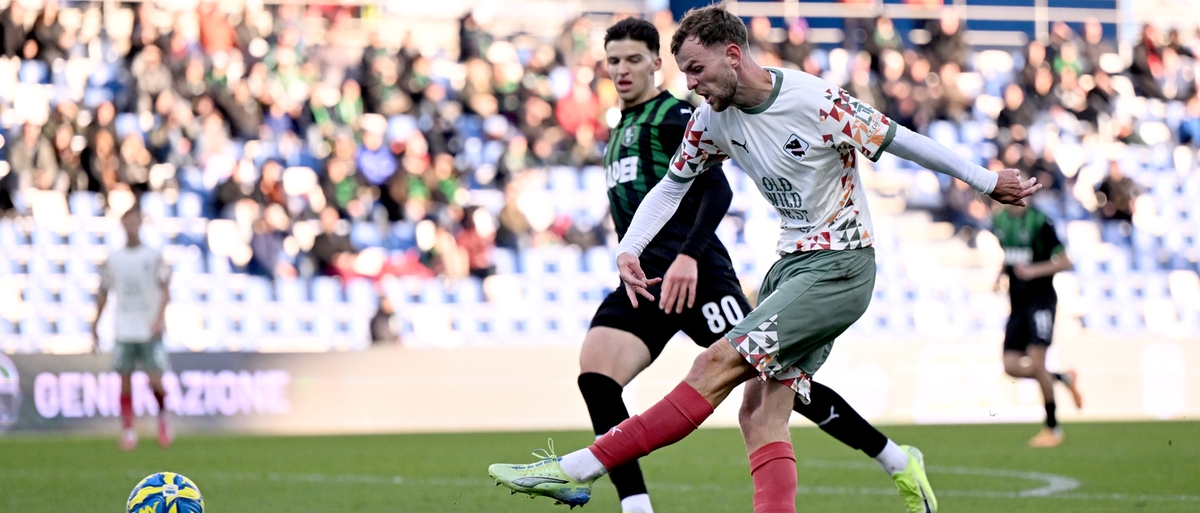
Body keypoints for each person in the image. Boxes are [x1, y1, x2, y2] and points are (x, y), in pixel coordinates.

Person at [489, 6, 1039, 513]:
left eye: (697, 70)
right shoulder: (710, 119)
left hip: (840, 265)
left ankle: (577, 468)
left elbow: (902, 140)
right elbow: (672, 186)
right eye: (685, 74)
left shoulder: (817, 101)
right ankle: (898, 460)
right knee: (760, 413)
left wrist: (988, 182)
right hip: (788, 266)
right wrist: (629, 248)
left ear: (733, 55)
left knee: (713, 366)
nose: (692, 85)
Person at [566, 17, 944, 513]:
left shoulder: (675, 115)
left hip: (695, 277)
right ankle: (635, 505)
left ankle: (892, 456)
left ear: (658, 64)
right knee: (597, 375)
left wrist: (688, 256)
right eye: (613, 61)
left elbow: (714, 186)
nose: (621, 70)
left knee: (768, 385)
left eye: (634, 59)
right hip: (648, 282)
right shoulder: (621, 128)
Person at [992, 200, 1083, 447]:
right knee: (1010, 366)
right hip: (1017, 305)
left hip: (1041, 303)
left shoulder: (1040, 222)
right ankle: (1062, 378)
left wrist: (1034, 270)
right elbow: (1010, 255)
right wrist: (1000, 275)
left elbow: (1065, 261)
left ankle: (1053, 428)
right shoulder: (1000, 221)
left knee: (1036, 361)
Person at [93, 208, 173, 451]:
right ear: (122, 225)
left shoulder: (154, 255)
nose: (131, 226)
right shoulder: (113, 258)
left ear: (140, 224)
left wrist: (159, 319)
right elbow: (104, 292)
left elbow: (166, 290)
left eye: (135, 222)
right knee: (124, 380)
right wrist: (95, 323)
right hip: (124, 327)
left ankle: (163, 419)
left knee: (155, 381)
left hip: (149, 327)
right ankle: (128, 431)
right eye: (127, 222)